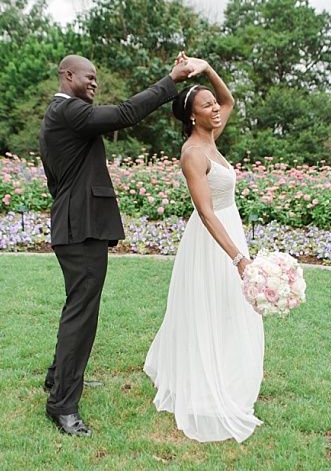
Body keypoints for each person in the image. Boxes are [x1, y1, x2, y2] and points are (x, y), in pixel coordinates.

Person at [38, 53, 205, 436]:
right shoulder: (68, 111)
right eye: (88, 76)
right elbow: (126, 114)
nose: (94, 83)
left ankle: (58, 379)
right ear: (67, 76)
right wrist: (171, 80)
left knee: (77, 307)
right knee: (82, 312)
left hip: (77, 225)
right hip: (81, 229)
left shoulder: (65, 114)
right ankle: (62, 405)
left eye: (96, 78)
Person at [143, 61, 265, 443]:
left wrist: (207, 68)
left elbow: (229, 99)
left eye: (214, 105)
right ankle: (207, 380)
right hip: (213, 238)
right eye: (206, 105)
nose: (216, 108)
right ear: (192, 116)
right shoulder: (193, 153)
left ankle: (228, 368)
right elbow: (206, 212)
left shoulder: (213, 136)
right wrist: (239, 259)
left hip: (231, 229)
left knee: (230, 306)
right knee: (210, 305)